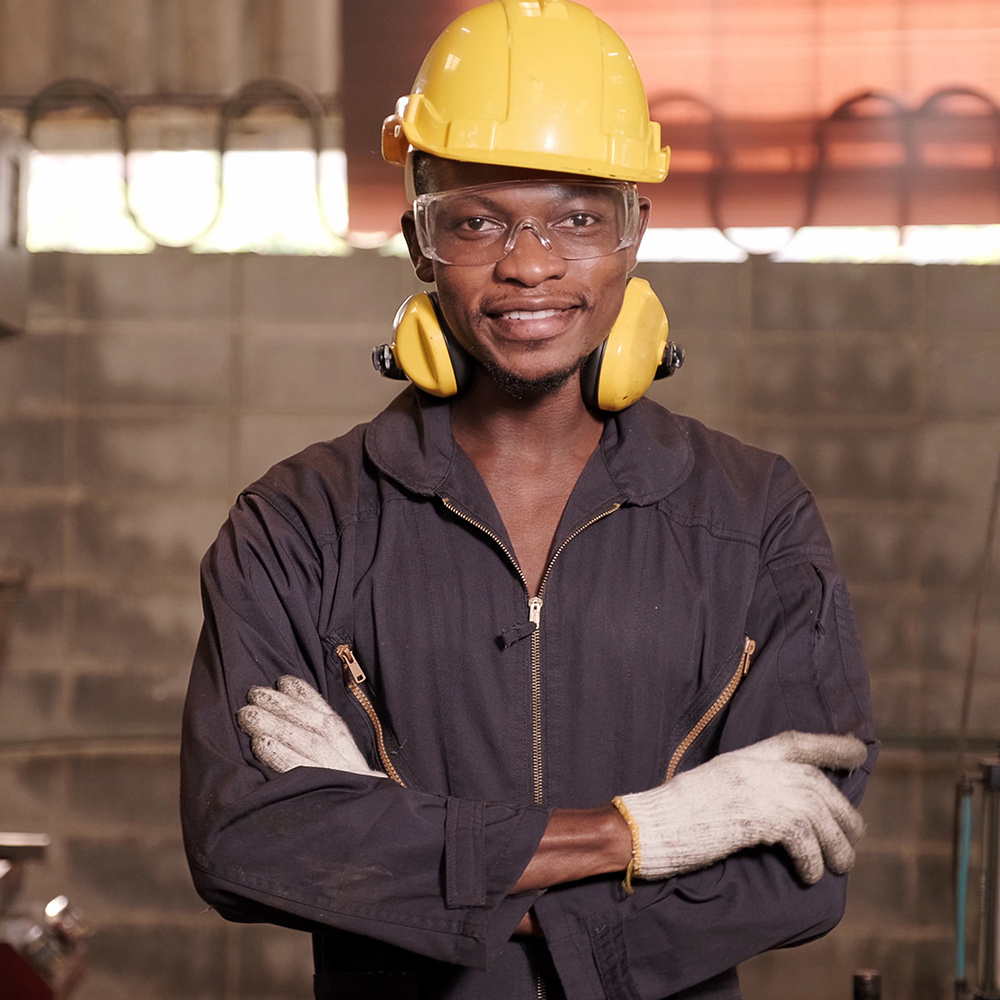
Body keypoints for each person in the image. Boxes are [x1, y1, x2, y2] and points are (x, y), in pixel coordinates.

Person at [180, 2, 877, 998]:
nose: (530, 263)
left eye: (577, 216)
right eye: (476, 221)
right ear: (420, 245)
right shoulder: (296, 526)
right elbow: (245, 841)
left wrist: (405, 854)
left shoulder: (752, 516)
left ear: (635, 234)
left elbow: (800, 872)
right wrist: (643, 834)